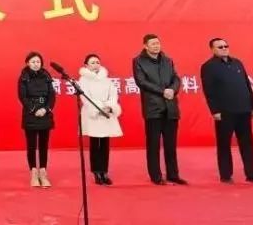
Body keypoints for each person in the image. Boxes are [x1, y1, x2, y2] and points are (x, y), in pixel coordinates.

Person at [200, 38, 253, 184]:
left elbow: (247, 85)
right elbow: (209, 91)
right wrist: (215, 110)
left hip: (244, 109)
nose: (224, 48)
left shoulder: (237, 63)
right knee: (224, 144)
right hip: (224, 112)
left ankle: (252, 174)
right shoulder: (208, 66)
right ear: (212, 49)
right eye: (220, 47)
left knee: (247, 144)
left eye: (226, 46)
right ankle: (226, 175)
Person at [132, 34, 186, 185]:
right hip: (153, 108)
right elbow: (141, 81)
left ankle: (173, 175)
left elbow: (176, 78)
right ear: (145, 46)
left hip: (171, 107)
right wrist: (162, 91)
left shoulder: (167, 60)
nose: (156, 46)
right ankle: (156, 176)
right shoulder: (139, 61)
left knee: (171, 145)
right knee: (153, 145)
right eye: (153, 44)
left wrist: (172, 90)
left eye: (157, 43)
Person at [78, 54, 122, 186]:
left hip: (106, 114)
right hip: (94, 114)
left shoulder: (106, 80)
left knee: (104, 144)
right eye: (92, 62)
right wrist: (99, 108)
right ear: (86, 65)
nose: (96, 65)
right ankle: (96, 171)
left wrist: (109, 106)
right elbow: (85, 98)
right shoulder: (83, 80)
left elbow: (113, 95)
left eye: (97, 62)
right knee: (94, 144)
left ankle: (104, 172)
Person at [17, 51, 56, 188]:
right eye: (33, 62)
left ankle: (43, 172)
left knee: (44, 145)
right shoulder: (24, 77)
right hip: (30, 113)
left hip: (45, 113)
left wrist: (45, 109)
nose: (36, 64)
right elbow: (22, 97)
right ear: (27, 63)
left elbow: (52, 96)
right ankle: (33, 172)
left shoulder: (46, 76)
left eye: (38, 62)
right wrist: (34, 109)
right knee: (31, 145)